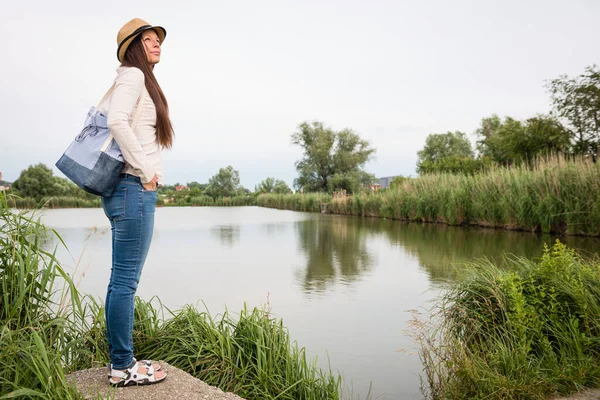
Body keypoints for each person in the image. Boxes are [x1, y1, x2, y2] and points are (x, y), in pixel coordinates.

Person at [101, 18, 174, 387]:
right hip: (134, 189)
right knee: (125, 283)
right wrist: (146, 169)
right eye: (148, 40)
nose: (157, 44)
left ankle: (120, 361)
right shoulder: (133, 75)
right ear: (133, 47)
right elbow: (116, 121)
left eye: (158, 39)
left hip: (126, 190)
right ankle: (122, 367)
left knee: (120, 282)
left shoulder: (137, 78)